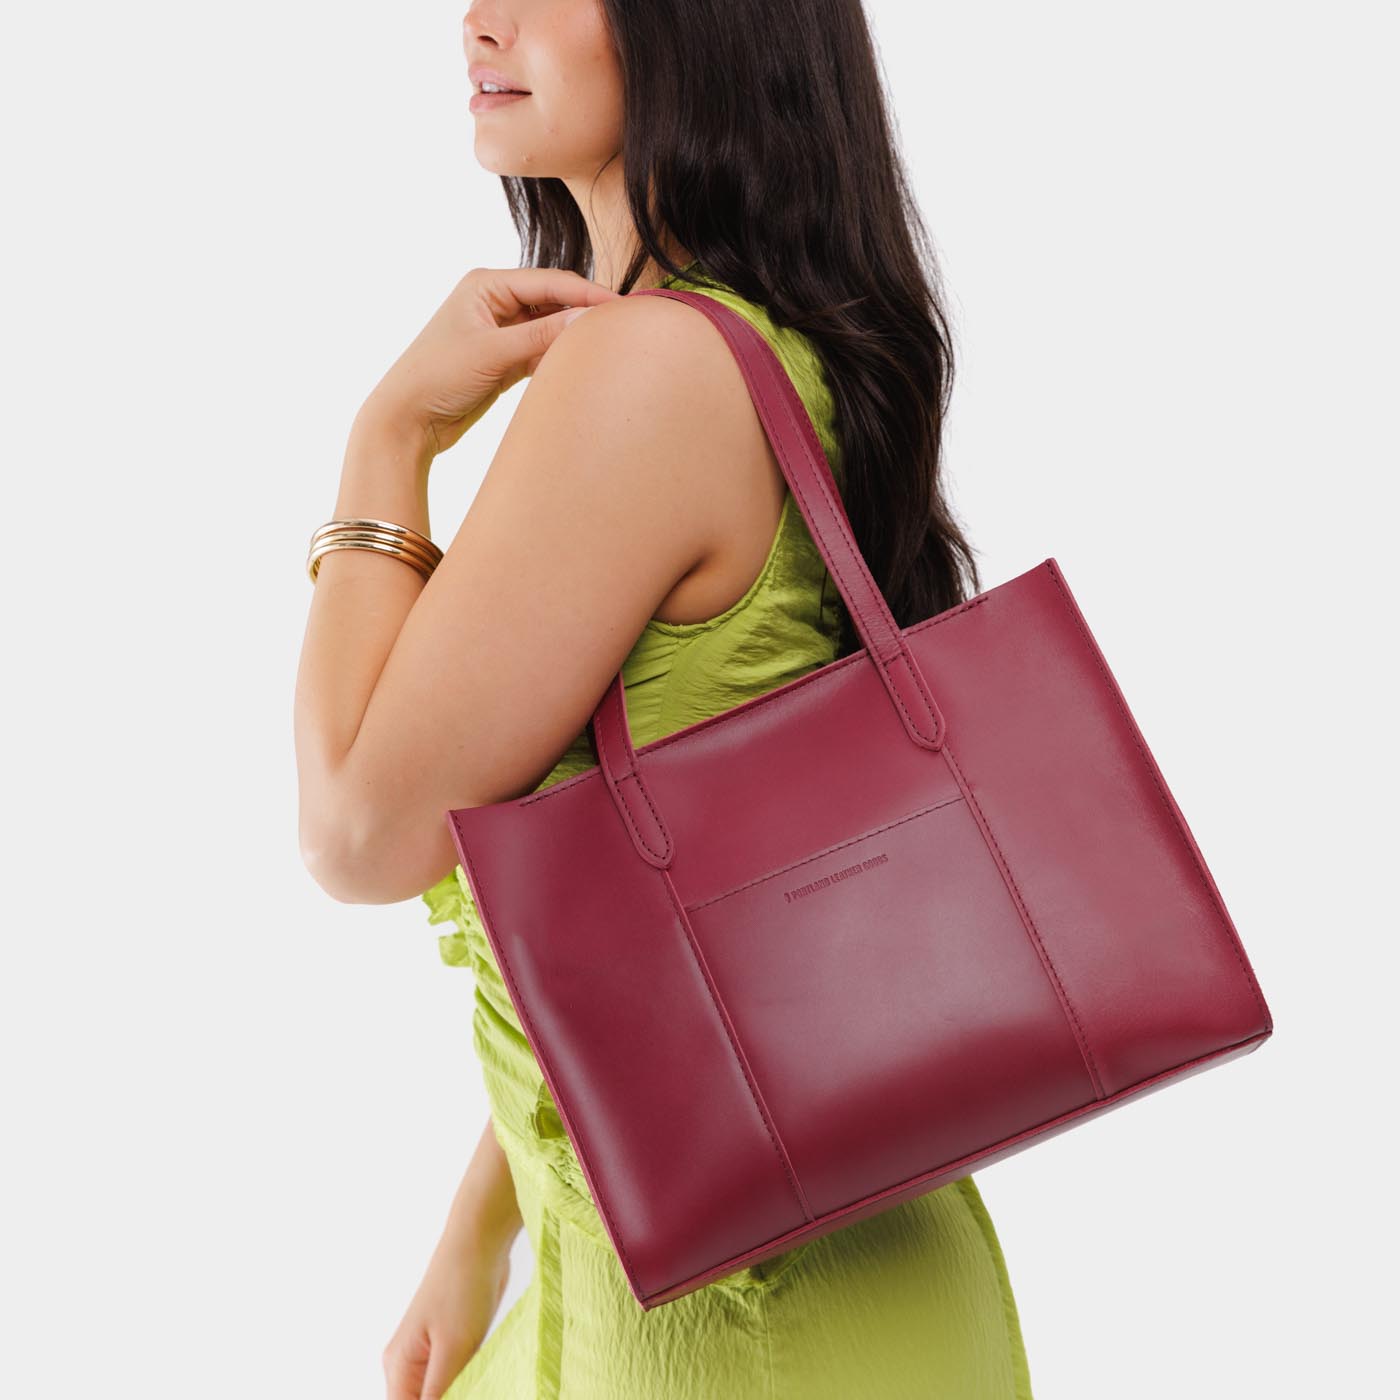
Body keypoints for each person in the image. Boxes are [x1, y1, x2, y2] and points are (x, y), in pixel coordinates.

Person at [294, 1, 1036, 1395]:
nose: (481, 18)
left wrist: (385, 439)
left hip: (732, 1324)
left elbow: (357, 834)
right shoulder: (771, 345)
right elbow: (697, 928)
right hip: (818, 1277)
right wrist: (480, 1226)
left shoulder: (649, 370)